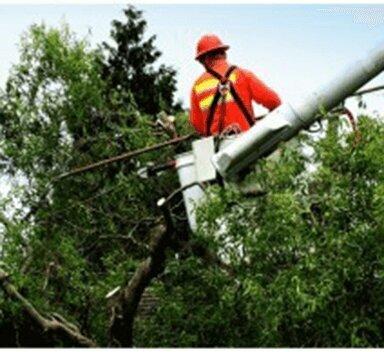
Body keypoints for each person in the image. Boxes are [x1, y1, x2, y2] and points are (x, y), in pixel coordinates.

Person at [190, 34, 282, 137]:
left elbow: (197, 125)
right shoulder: (242, 75)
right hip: (247, 142)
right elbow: (274, 101)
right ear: (224, 54)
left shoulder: (197, 86)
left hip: (217, 148)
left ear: (204, 59)